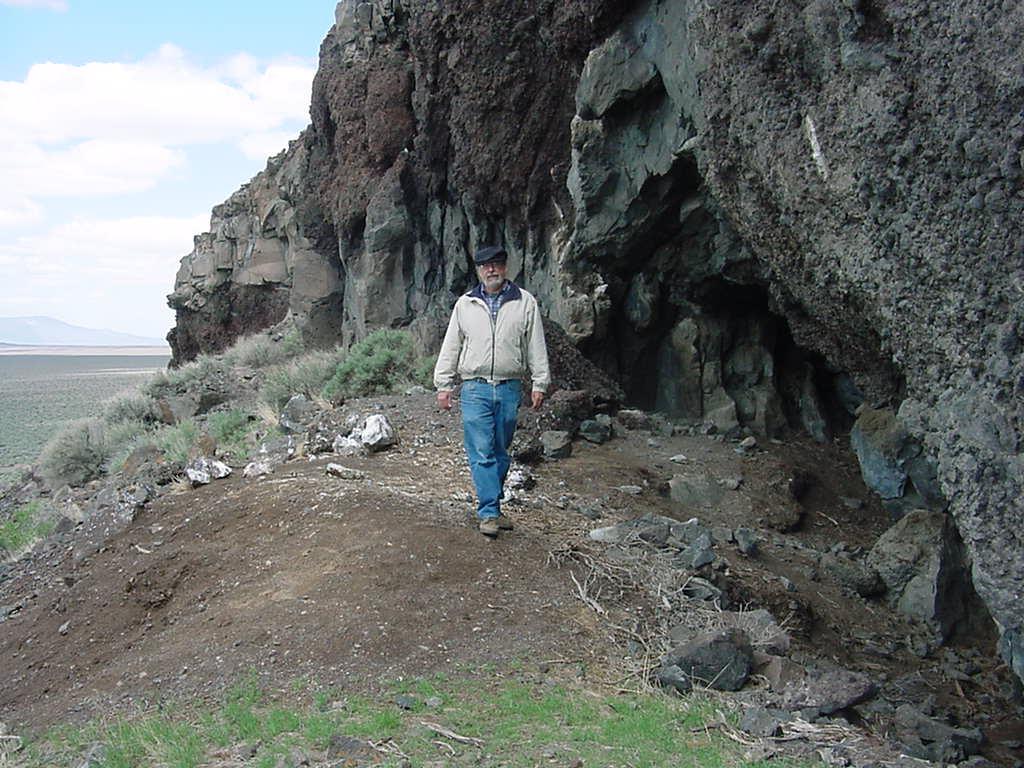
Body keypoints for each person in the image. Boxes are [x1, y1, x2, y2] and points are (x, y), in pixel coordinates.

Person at [433, 245, 550, 537]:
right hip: (474, 388)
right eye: (485, 266)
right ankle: (487, 512)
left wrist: (540, 382)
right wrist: (444, 385)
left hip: (510, 388)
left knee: (500, 451)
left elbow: (536, 344)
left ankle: (493, 508)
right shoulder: (465, 304)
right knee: (482, 451)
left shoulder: (525, 302)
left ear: (505, 267)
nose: (491, 270)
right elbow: (451, 346)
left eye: (496, 264)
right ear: (479, 271)